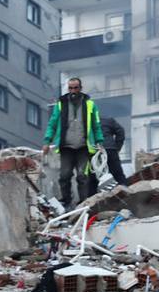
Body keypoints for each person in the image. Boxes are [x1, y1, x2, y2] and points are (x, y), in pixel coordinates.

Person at [41, 77, 102, 208]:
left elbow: (96, 125)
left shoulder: (90, 104)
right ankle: (66, 201)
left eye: (75, 88)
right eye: (70, 88)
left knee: (82, 176)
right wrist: (47, 141)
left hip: (83, 147)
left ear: (80, 88)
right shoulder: (61, 104)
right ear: (68, 89)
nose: (73, 91)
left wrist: (99, 141)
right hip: (66, 147)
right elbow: (52, 123)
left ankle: (84, 202)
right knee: (64, 175)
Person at [101, 116, 128, 187]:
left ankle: (94, 197)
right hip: (110, 150)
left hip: (95, 153)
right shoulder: (108, 120)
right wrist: (117, 147)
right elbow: (120, 131)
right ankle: (126, 192)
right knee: (118, 174)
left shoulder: (86, 123)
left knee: (95, 179)